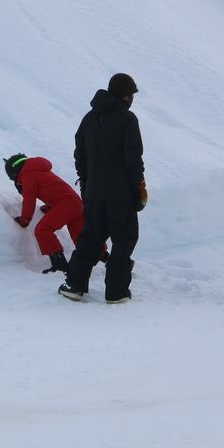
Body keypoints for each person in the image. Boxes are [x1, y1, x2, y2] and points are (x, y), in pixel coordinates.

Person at [58, 73, 147, 304]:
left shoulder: (89, 119)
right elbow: (133, 159)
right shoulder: (127, 119)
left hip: (95, 194)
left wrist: (87, 184)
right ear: (126, 95)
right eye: (132, 94)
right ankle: (116, 292)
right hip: (121, 196)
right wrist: (139, 187)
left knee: (90, 238)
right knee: (124, 241)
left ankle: (74, 285)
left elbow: (80, 155)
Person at [4, 153, 85, 274]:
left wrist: (25, 219)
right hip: (75, 203)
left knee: (43, 230)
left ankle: (60, 265)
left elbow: (29, 199)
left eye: (12, 177)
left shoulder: (28, 175)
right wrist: (51, 206)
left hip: (67, 204)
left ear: (14, 171)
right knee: (82, 238)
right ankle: (106, 258)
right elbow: (55, 190)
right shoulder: (38, 169)